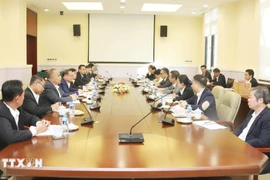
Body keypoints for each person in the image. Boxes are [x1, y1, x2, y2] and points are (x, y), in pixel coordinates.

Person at [0, 80, 49, 151]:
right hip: (4, 153)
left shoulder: (17, 108)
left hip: (18, 147)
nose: (24, 97)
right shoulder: (1, 112)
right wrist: (35, 130)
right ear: (17, 99)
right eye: (23, 95)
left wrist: (39, 123)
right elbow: (10, 136)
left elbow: (30, 117)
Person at [234, 86, 270, 174]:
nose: (248, 100)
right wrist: (232, 138)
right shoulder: (252, 111)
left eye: (250, 97)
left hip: (253, 153)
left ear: (260, 100)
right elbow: (241, 128)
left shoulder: (267, 117)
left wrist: (242, 144)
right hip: (239, 146)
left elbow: (263, 141)